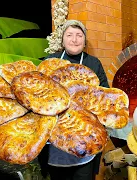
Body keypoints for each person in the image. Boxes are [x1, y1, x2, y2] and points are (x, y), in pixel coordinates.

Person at [38, 19, 109, 180]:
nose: (74, 39)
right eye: (69, 35)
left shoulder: (93, 63)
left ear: (84, 41)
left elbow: (104, 96)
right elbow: (38, 94)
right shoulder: (50, 62)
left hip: (85, 138)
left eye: (79, 35)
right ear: (62, 39)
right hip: (56, 141)